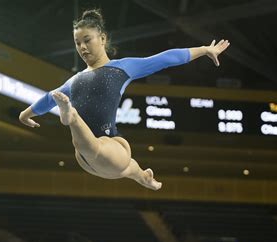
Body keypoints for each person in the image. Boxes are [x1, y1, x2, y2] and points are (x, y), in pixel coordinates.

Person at [19, 9, 230, 190]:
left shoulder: (122, 68)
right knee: (124, 166)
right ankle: (142, 177)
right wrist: (26, 113)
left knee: (100, 150)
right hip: (88, 160)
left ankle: (71, 117)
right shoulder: (74, 81)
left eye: (87, 40)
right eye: (77, 43)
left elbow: (165, 59)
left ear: (102, 39)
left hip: (109, 145)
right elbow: (49, 98)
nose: (82, 47)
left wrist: (205, 50)